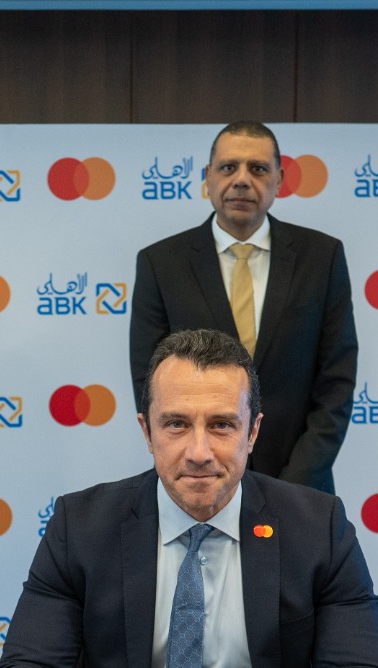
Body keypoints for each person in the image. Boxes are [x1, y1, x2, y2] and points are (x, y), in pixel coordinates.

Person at [0, 329, 378, 668]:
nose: (199, 453)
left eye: (222, 425)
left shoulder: (317, 526)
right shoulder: (82, 525)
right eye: (176, 424)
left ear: (252, 432)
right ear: (147, 431)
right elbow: (25, 666)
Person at [128, 121, 356, 495]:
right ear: (207, 177)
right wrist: (193, 461)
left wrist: (296, 483)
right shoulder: (161, 263)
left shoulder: (322, 258)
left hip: (301, 483)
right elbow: (149, 383)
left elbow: (337, 381)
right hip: (198, 477)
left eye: (258, 169)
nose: (242, 180)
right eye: (228, 167)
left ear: (279, 180)